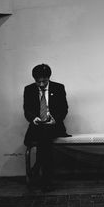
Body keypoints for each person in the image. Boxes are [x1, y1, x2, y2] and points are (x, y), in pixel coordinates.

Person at [23, 64, 70, 192]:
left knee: (45, 133)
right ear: (34, 80)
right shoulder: (29, 89)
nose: (42, 84)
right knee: (44, 135)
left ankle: (38, 166)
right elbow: (27, 110)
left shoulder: (58, 88)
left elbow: (64, 109)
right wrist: (34, 118)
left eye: (44, 81)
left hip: (54, 126)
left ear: (49, 78)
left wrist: (54, 119)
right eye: (38, 82)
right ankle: (46, 178)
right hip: (37, 127)